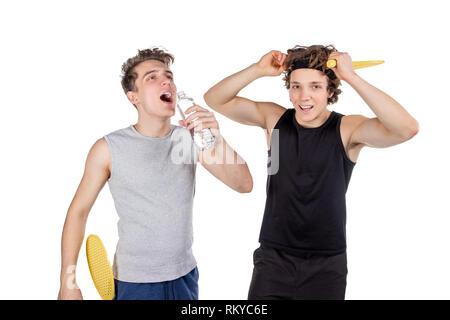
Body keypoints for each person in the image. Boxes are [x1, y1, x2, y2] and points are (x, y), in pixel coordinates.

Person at [203, 45, 419, 300]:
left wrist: (352, 76)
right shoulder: (275, 120)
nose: (304, 96)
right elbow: (215, 99)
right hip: (274, 259)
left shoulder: (347, 128)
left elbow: (406, 129)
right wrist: (258, 70)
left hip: (326, 265)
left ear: (330, 90)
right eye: (296, 86)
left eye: (315, 86)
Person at [58, 47, 253, 300]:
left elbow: (243, 184)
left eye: (169, 76)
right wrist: (68, 282)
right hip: (135, 284)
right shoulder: (107, 148)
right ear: (133, 97)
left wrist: (216, 139)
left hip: (185, 277)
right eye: (152, 77)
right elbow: (78, 212)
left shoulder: (188, 139)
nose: (166, 82)